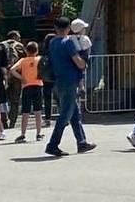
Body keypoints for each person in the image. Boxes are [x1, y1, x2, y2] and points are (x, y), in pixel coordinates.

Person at [45, 17, 95, 157]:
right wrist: (84, 62)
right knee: (65, 114)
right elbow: (78, 62)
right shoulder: (67, 43)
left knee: (74, 114)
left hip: (58, 80)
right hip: (70, 80)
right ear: (68, 28)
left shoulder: (53, 42)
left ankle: (82, 142)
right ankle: (52, 145)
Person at [10, 41, 43, 143]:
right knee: (38, 111)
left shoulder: (23, 60)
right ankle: (38, 134)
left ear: (26, 51)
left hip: (27, 87)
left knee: (25, 112)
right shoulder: (39, 59)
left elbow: (12, 69)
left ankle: (23, 134)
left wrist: (21, 77)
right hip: (38, 85)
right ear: (37, 51)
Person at [2, 30, 25, 130]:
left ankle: (3, 122)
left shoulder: (0, 45)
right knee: (14, 101)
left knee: (2, 100)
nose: (19, 39)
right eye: (19, 37)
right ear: (14, 37)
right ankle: (12, 122)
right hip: (16, 75)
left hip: (3, 75)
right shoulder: (19, 46)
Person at [39, 34, 57, 123]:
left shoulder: (43, 52)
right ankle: (64, 117)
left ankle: (47, 117)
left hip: (46, 77)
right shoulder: (57, 50)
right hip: (57, 75)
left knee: (47, 98)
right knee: (59, 97)